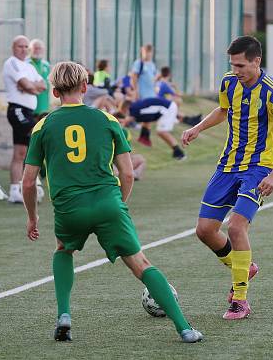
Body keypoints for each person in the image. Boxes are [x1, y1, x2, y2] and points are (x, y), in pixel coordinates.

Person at [20, 61, 203, 343]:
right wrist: (120, 203)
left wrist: (32, 217)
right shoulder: (108, 120)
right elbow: (128, 173)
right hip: (108, 202)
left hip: (69, 209)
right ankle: (185, 329)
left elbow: (29, 181)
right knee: (140, 263)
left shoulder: (43, 126)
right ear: (85, 87)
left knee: (63, 249)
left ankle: (64, 315)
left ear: (54, 92)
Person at [181, 36, 273, 320]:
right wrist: (198, 128)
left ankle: (240, 299)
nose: (236, 70)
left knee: (235, 227)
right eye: (233, 65)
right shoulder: (228, 83)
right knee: (205, 230)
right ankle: (243, 265)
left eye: (242, 65)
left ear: (256, 61)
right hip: (227, 166)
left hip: (258, 168)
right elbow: (223, 110)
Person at [3, 35, 46, 203]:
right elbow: (28, 85)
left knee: (21, 152)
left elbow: (42, 85)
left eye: (25, 46)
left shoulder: (28, 66)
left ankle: (17, 190)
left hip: (28, 111)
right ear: (14, 47)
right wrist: (28, 86)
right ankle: (32, 183)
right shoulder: (12, 63)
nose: (23, 49)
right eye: (20, 46)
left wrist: (29, 87)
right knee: (36, 135)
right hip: (17, 109)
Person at [119, 98, 186, 160]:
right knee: (156, 128)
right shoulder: (137, 107)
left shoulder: (133, 108)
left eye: (124, 112)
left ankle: (179, 153)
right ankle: (145, 139)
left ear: (126, 108)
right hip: (167, 107)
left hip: (168, 108)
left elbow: (126, 121)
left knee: (162, 132)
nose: (125, 114)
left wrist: (117, 122)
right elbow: (147, 118)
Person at [29, 39, 52, 117]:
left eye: (40, 48)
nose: (37, 50)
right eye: (35, 48)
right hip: (31, 102)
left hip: (44, 103)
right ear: (30, 49)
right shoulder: (27, 63)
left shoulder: (46, 64)